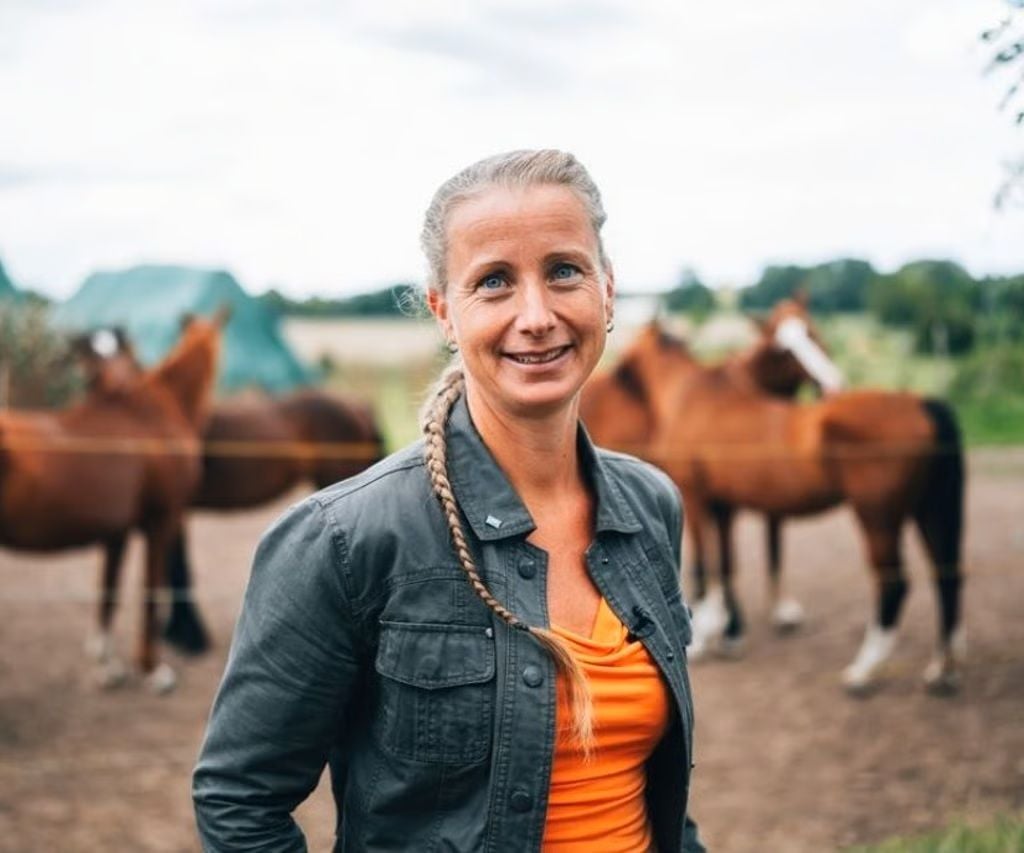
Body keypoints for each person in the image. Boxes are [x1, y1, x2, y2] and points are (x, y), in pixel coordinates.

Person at [193, 149, 705, 852]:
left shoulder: (651, 506)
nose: (537, 315)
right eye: (494, 282)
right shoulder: (344, 539)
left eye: (564, 270)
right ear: (444, 311)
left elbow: (656, 790)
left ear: (607, 289)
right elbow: (239, 802)